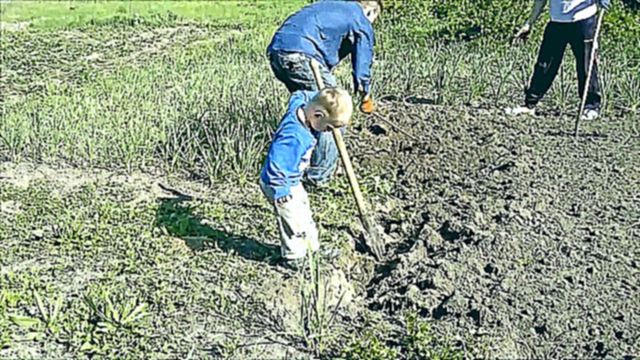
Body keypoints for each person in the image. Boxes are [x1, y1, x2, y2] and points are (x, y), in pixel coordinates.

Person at [267, 0, 380, 187]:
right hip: (302, 55)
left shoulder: (333, 6)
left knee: (307, 110)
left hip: (277, 52)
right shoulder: (361, 18)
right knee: (333, 112)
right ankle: (318, 178)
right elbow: (363, 62)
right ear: (370, 12)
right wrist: (365, 94)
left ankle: (292, 163)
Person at [260, 88, 353, 270]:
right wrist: (282, 193)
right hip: (280, 183)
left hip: (293, 180)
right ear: (317, 116)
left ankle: (312, 249)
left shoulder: (303, 106)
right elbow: (276, 165)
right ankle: (294, 256)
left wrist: (320, 94)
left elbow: (299, 94)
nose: (328, 132)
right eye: (328, 128)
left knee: (304, 213)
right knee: (292, 218)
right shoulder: (293, 136)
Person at [505, 0, 610, 121]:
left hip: (583, 21)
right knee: (545, 64)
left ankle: (591, 107)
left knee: (586, 64)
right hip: (556, 21)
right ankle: (530, 105)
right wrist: (529, 23)